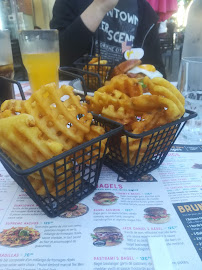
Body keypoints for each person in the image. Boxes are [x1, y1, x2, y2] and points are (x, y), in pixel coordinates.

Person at [50, 0, 166, 76]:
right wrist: (99, 7)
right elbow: (58, 59)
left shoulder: (147, 13)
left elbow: (158, 71)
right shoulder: (69, 2)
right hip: (76, 101)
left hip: (128, 104)